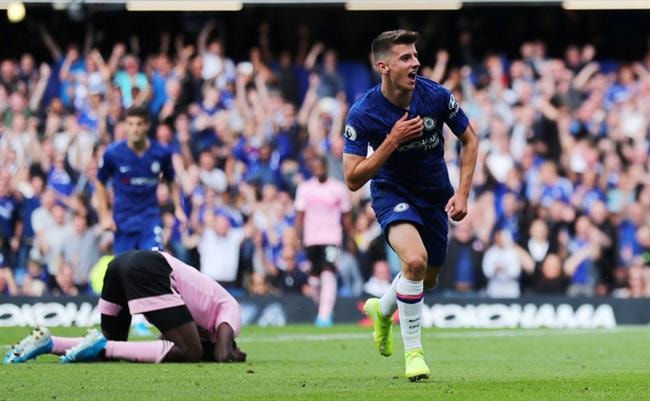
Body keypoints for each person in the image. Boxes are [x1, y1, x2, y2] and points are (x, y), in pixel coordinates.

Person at [343, 30, 478, 381]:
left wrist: (462, 193)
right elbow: (353, 178)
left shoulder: (435, 96)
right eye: (406, 58)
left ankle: (383, 310)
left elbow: (470, 138)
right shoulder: (364, 113)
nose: (416, 62)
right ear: (383, 66)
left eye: (416, 55)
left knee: (426, 278)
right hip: (393, 192)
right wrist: (391, 141)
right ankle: (414, 354)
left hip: (434, 195)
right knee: (414, 262)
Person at [4, 249, 246, 364]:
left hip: (120, 264)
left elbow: (163, 341)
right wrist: (234, 354)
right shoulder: (230, 309)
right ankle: (101, 348)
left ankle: (50, 343)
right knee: (191, 352)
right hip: (150, 267)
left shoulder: (200, 310)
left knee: (110, 339)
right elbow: (224, 353)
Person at [96, 105, 186, 254]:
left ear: (147, 125)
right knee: (124, 272)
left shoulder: (161, 153)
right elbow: (100, 182)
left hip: (150, 221)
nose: (135, 129)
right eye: (130, 124)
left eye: (139, 124)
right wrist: (104, 216)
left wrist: (178, 208)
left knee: (155, 261)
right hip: (123, 222)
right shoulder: (113, 153)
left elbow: (171, 180)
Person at [294, 155, 353, 327]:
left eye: (321, 166)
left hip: (331, 238)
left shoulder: (338, 188)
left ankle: (324, 315)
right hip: (311, 239)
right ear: (312, 168)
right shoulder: (305, 188)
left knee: (328, 273)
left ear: (325, 167)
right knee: (314, 279)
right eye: (315, 166)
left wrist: (350, 238)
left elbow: (346, 215)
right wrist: (299, 236)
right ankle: (323, 308)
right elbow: (300, 215)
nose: (318, 169)